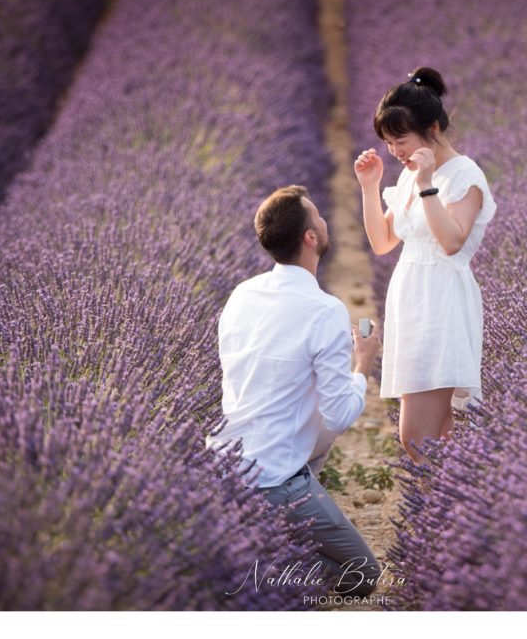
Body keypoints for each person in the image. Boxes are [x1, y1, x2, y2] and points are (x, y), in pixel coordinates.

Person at [206, 185, 383, 599]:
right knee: (363, 576)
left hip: (222, 463)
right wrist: (363, 366)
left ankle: (253, 535)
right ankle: (264, 552)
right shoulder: (325, 310)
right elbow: (339, 415)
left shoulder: (242, 293)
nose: (324, 221)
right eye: (318, 216)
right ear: (310, 238)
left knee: (310, 425)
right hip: (274, 477)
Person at [353, 66, 497, 465]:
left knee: (416, 436)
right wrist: (369, 187)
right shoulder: (410, 175)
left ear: (432, 128)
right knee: (437, 433)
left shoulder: (464, 175)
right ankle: (449, 508)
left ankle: (444, 506)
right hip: (411, 300)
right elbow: (383, 243)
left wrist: (427, 183)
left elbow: (452, 241)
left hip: (443, 302)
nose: (394, 151)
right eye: (387, 142)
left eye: (399, 140)